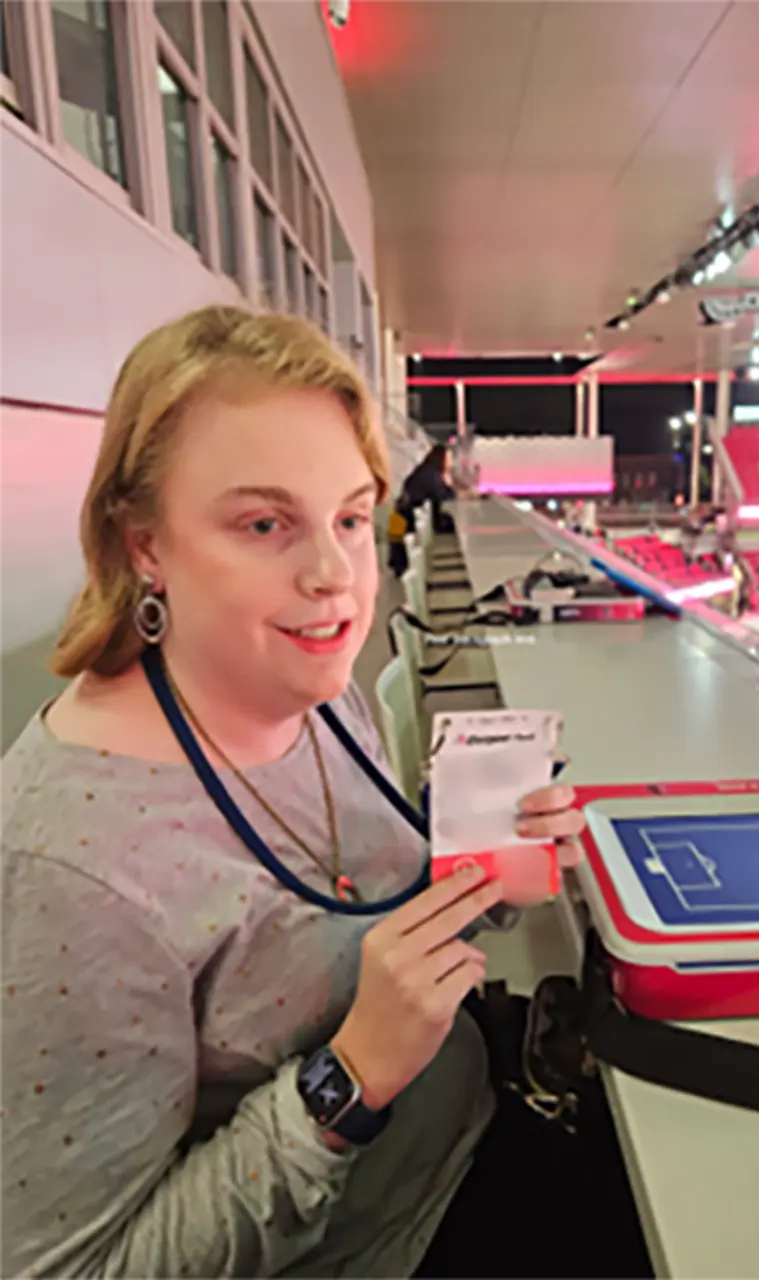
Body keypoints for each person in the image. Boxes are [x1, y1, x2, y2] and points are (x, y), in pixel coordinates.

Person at [0, 305, 584, 1279]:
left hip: (469, 1131)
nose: (333, 576)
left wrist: (481, 856)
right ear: (143, 541)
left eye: (351, 516)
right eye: (265, 522)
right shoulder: (72, 870)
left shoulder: (309, 684)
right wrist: (349, 1077)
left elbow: (348, 920)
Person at [387, 444, 459, 577]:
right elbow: (443, 496)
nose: (451, 462)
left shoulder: (427, 471)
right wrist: (449, 484)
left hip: (406, 522)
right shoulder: (431, 475)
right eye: (449, 458)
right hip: (408, 525)